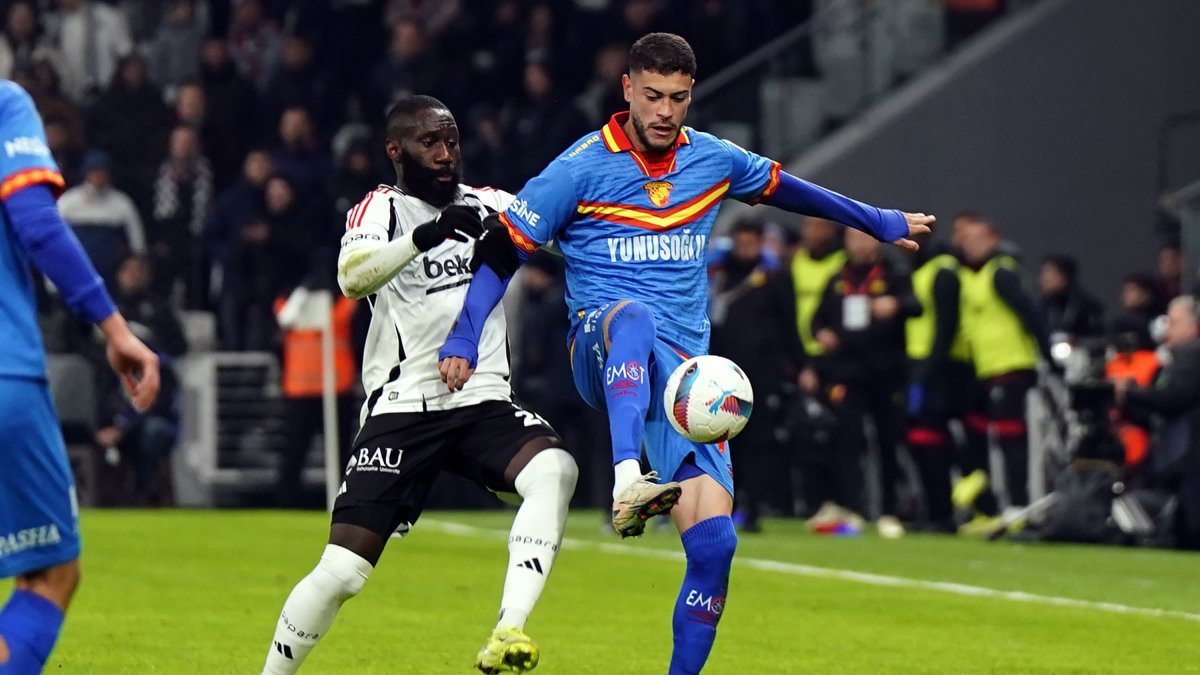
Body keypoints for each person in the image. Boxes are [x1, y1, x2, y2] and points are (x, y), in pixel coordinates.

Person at [437, 34, 931, 674]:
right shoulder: (580, 167)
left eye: (677, 97)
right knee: (635, 318)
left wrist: (876, 220)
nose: (665, 111)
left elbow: (787, 188)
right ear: (627, 91)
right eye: (652, 96)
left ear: (690, 94)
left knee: (716, 546)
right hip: (603, 346)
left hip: (686, 388)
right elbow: (503, 251)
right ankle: (624, 481)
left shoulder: (712, 160)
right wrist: (462, 335)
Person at [261, 95, 577, 675]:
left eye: (451, 140)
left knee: (554, 470)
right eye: (429, 142)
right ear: (395, 150)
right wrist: (426, 237)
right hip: (403, 407)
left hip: (481, 401)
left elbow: (565, 234)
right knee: (342, 573)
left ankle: (507, 630)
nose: (444, 153)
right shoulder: (379, 209)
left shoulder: (489, 205)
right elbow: (351, 278)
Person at [0, 80, 160, 673]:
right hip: (4, 374)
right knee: (49, 575)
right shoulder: (4, 104)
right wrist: (115, 330)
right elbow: (37, 224)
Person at [810, 228, 920, 537]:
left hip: (887, 372)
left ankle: (889, 511)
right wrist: (821, 334)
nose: (858, 244)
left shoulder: (894, 271)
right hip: (849, 374)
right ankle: (854, 508)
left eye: (864, 238)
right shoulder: (838, 276)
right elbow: (816, 320)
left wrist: (894, 305)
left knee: (888, 441)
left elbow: (915, 306)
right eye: (852, 238)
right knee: (848, 441)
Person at [955, 212, 1052, 535]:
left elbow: (1031, 314)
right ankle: (992, 506)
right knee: (985, 435)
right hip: (986, 367)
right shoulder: (973, 276)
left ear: (994, 239)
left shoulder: (1000, 274)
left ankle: (1018, 506)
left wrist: (1048, 355)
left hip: (1011, 365)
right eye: (966, 239)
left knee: (1011, 438)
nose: (970, 245)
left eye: (977, 238)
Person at [708, 219, 805, 532]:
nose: (745, 249)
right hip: (720, 371)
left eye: (751, 243)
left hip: (761, 373)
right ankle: (724, 503)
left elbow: (790, 323)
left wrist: (799, 364)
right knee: (722, 439)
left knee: (758, 442)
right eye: (741, 243)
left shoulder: (775, 277)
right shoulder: (718, 274)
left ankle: (754, 507)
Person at [1116, 296, 1200, 549]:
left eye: (1174, 323)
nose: (1167, 330)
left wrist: (1129, 391)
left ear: (1194, 325)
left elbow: (1174, 398)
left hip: (1189, 452)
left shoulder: (1192, 353)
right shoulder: (1174, 358)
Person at [904, 236, 972, 532]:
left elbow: (946, 326)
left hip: (939, 368)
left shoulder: (943, 272)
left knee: (933, 442)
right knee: (920, 442)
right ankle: (932, 510)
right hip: (919, 365)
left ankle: (942, 513)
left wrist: (927, 371)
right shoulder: (921, 272)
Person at [1036, 254, 1104, 343]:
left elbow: (1098, 338)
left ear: (1063, 277)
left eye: (1048, 272)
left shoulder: (1087, 306)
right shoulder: (1043, 306)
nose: (1042, 279)